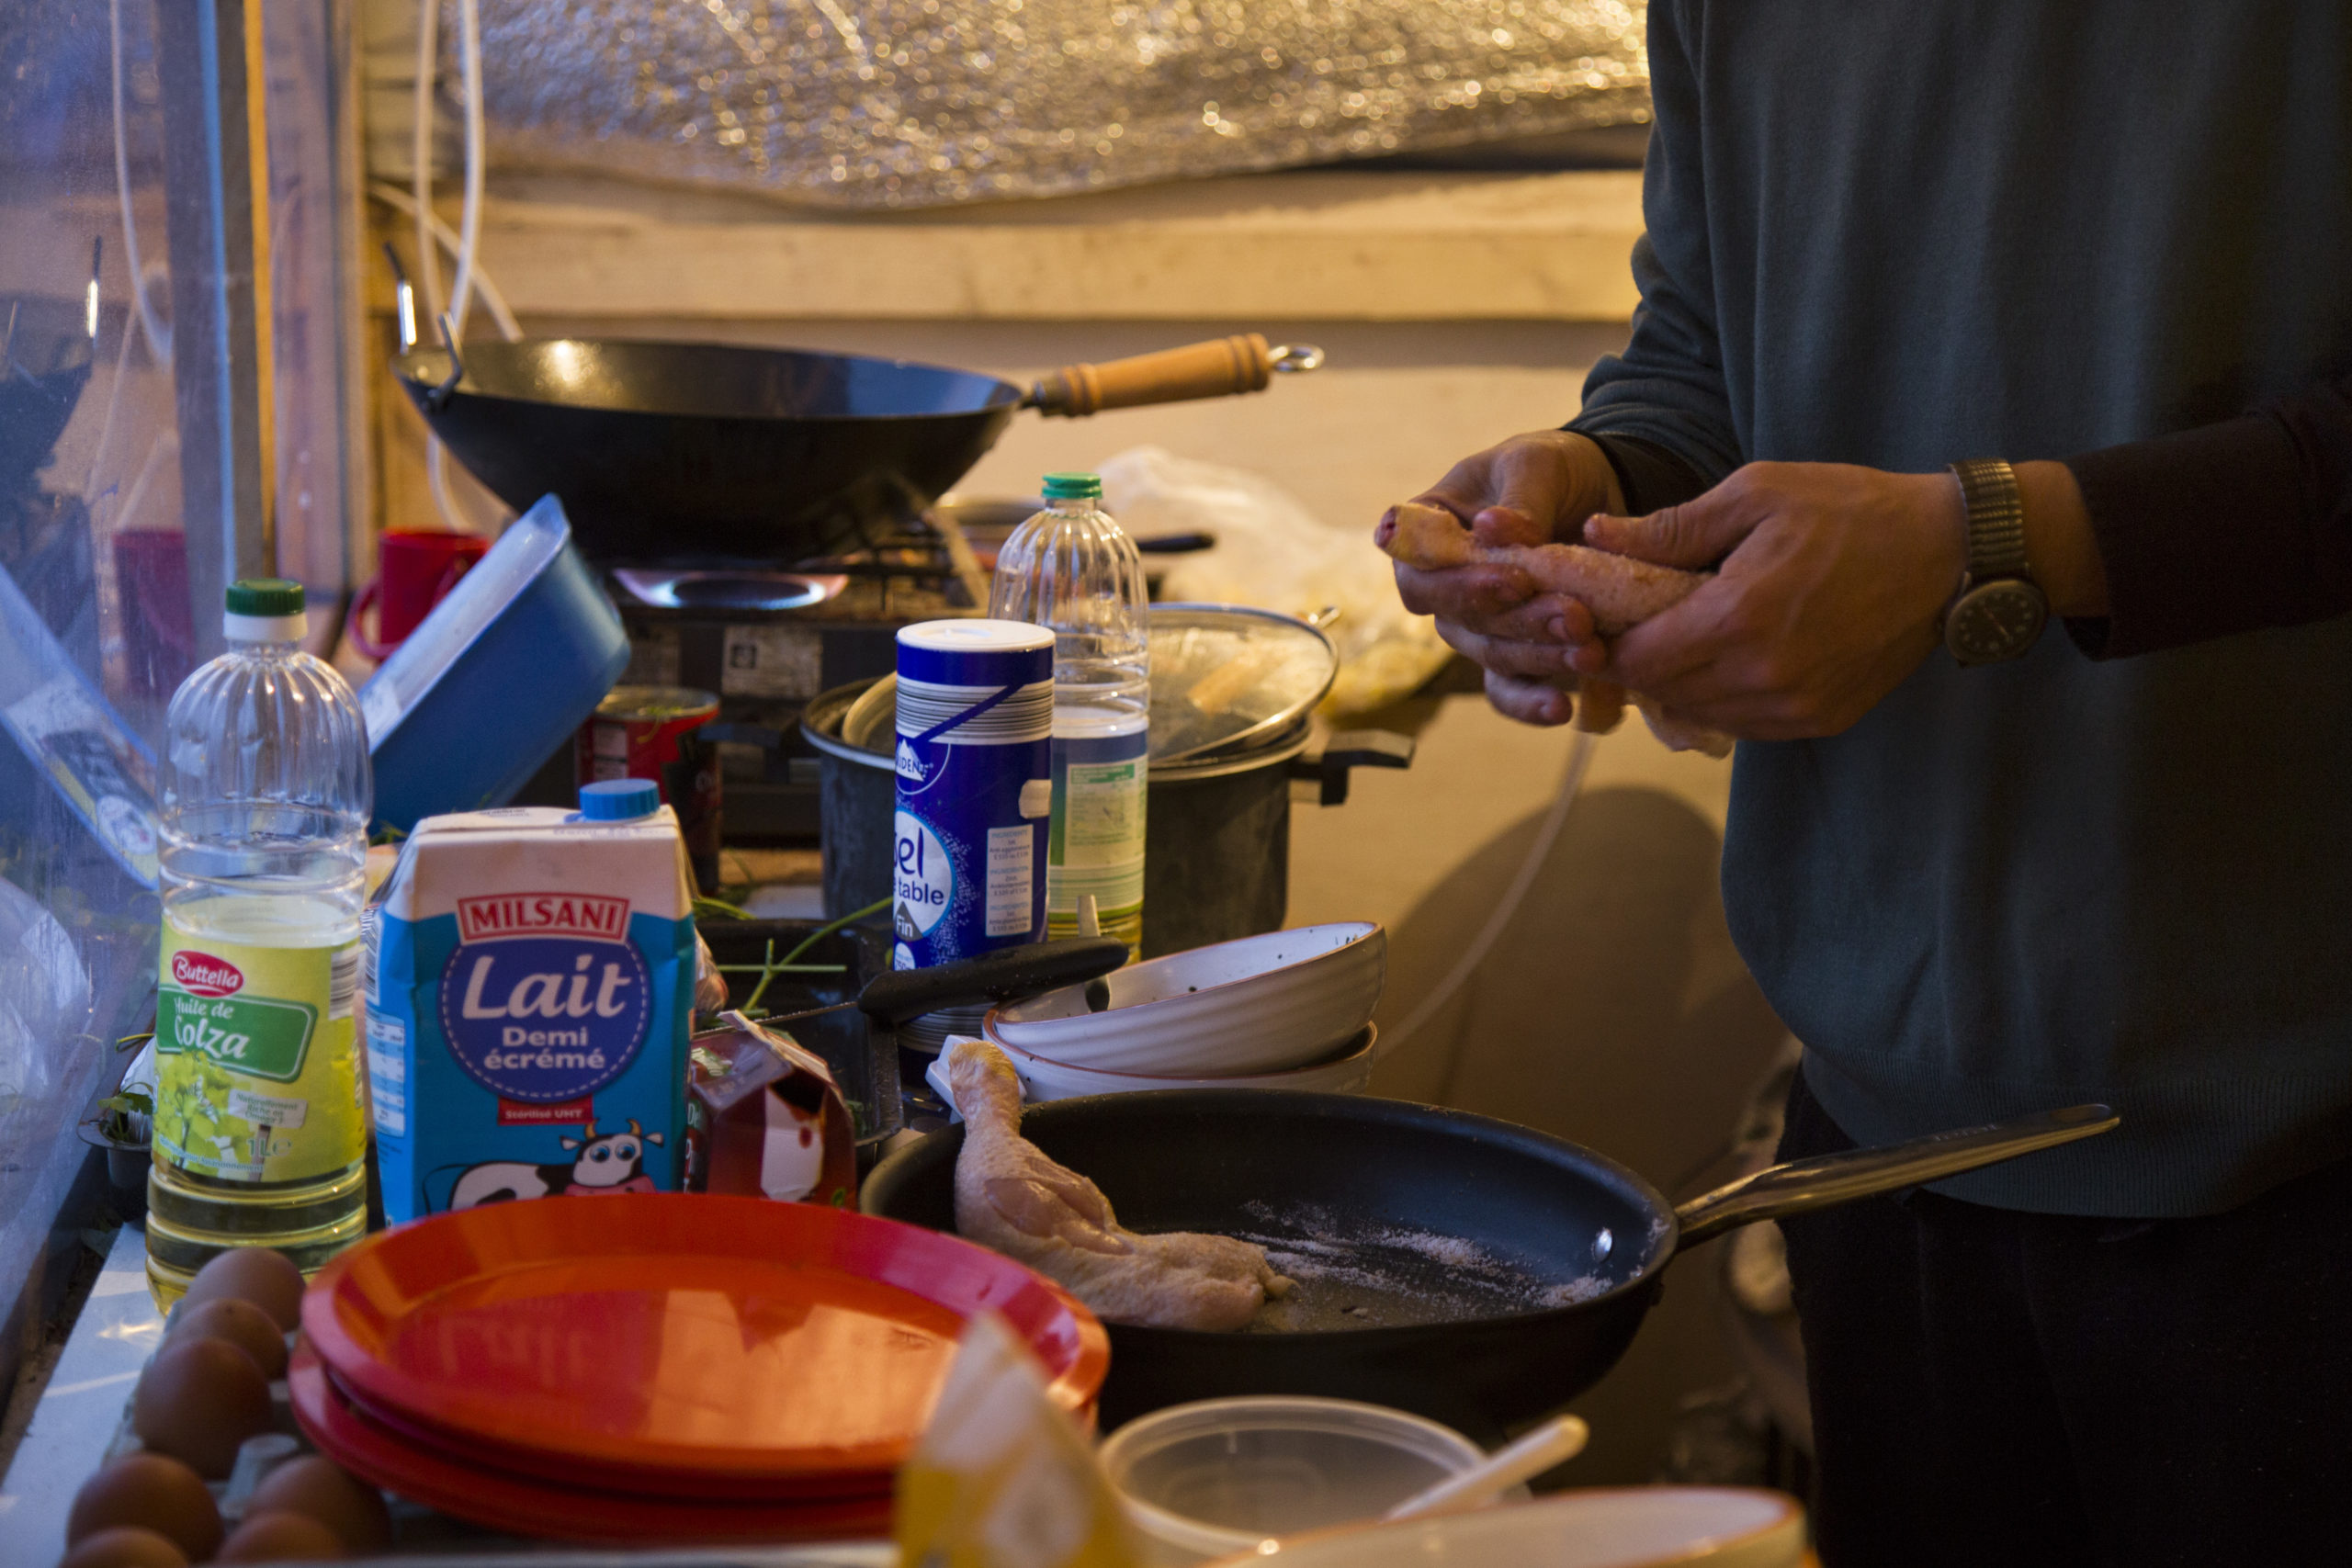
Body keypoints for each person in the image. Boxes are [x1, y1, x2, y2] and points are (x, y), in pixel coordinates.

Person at [1390, 6, 2352, 1562]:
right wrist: (1603, 486)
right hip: (1883, 1134)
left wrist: (1990, 540)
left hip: (2298, 1143)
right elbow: (1707, 337)